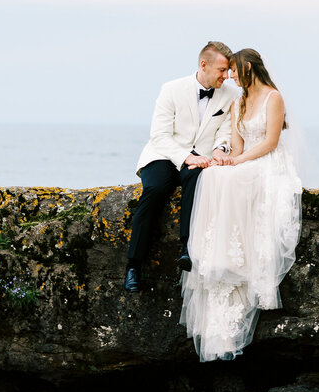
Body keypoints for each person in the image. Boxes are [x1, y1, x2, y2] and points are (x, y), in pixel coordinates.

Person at [179, 48, 303, 362]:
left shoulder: (273, 98)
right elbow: (236, 145)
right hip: (245, 160)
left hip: (269, 163)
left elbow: (270, 142)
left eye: (234, 71)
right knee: (212, 177)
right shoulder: (238, 102)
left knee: (230, 177)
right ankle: (219, 258)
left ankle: (233, 258)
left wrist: (237, 161)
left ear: (247, 67)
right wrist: (224, 158)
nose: (231, 77)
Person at [125, 41, 240, 292]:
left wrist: (221, 149)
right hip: (163, 155)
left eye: (228, 71)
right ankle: (134, 265)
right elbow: (160, 135)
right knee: (155, 190)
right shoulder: (171, 89)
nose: (226, 76)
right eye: (222, 70)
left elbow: (226, 131)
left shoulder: (231, 95)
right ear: (203, 65)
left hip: (202, 159)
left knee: (198, 182)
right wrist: (188, 157)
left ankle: (188, 250)